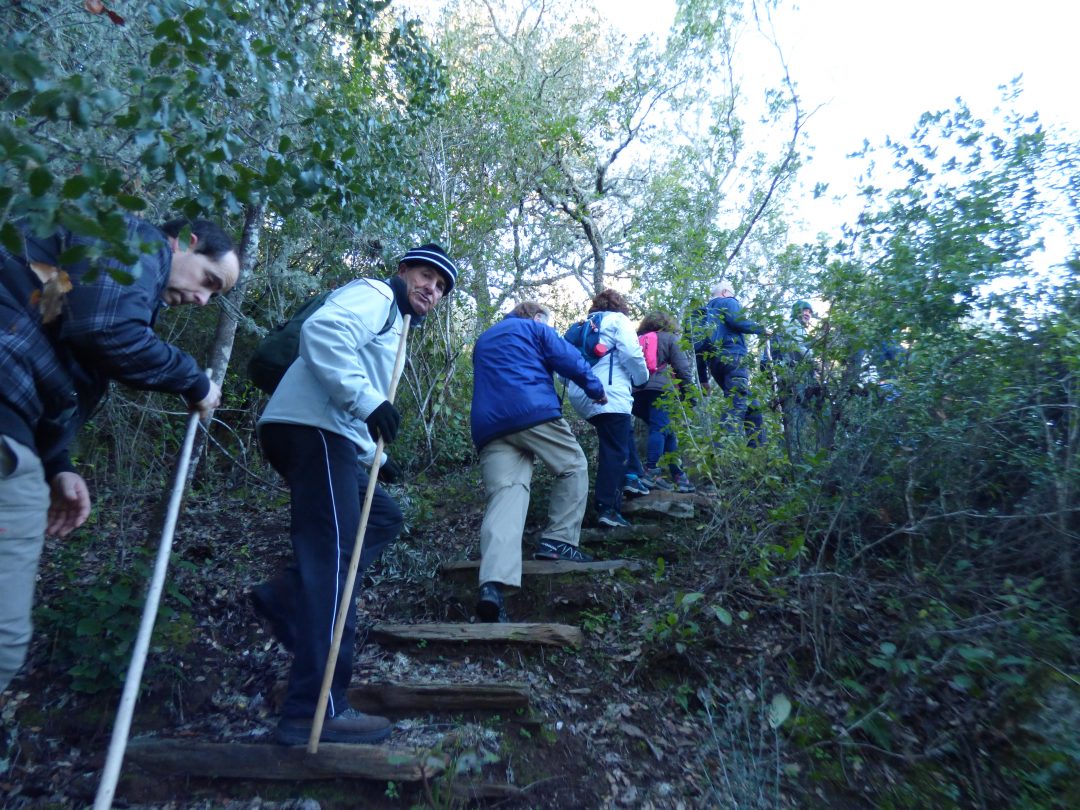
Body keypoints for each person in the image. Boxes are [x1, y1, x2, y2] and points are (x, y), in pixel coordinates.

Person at [0, 216, 239, 693]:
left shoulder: (90, 273)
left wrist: (57, 465)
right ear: (185, 242)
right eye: (208, 280)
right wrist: (194, 382)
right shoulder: (133, 240)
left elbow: (53, 337)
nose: (202, 300)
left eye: (214, 296)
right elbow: (108, 331)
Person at [252, 243, 458, 746]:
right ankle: (314, 708)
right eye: (427, 275)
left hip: (327, 434)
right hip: (314, 430)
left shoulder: (398, 324)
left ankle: (286, 596)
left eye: (443, 286)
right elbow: (323, 334)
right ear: (403, 270)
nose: (432, 288)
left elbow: (355, 381)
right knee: (332, 564)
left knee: (382, 517)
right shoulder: (375, 295)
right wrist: (368, 403)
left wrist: (378, 460)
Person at [470, 301, 608, 622]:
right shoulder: (535, 328)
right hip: (531, 411)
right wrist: (595, 388)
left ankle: (492, 586)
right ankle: (560, 541)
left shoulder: (484, 338)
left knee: (508, 495)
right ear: (535, 316)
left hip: (490, 427)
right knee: (573, 466)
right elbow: (567, 357)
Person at [563, 289, 649, 529]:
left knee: (618, 435)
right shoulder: (618, 320)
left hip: (580, 394)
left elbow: (562, 365)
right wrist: (642, 379)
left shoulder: (581, 327)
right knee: (614, 450)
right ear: (620, 306)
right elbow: (632, 353)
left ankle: (632, 476)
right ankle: (608, 508)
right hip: (608, 392)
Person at [694, 279, 768, 447]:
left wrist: (703, 379)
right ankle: (721, 453)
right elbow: (738, 322)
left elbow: (698, 349)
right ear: (725, 292)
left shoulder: (702, 315)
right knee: (736, 403)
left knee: (752, 407)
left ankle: (758, 452)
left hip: (715, 365)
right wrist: (761, 329)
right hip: (733, 357)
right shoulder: (728, 301)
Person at [632, 311, 696, 492]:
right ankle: (651, 471)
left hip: (636, 394)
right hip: (661, 392)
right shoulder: (670, 338)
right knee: (660, 428)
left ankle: (679, 475)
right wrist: (690, 397)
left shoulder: (637, 340)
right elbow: (683, 370)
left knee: (667, 431)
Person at [764, 300, 816, 460]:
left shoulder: (794, 328)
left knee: (790, 418)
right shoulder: (792, 326)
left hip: (788, 379)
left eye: (809, 311)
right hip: (792, 379)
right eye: (804, 310)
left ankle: (787, 457)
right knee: (794, 418)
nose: (807, 314)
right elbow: (801, 351)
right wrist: (817, 362)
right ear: (796, 311)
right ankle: (793, 459)